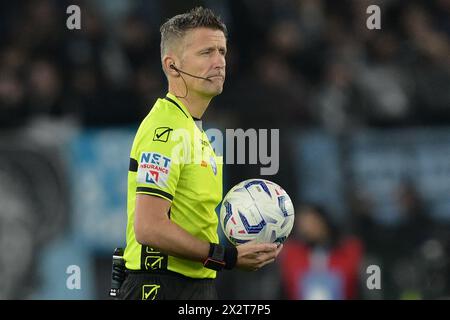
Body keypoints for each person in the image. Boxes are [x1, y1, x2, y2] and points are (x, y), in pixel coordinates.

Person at [117, 7, 282, 300]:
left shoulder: (197, 133)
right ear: (172, 66)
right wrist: (226, 257)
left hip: (195, 286)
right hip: (160, 286)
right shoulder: (165, 129)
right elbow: (149, 227)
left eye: (222, 51)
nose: (219, 62)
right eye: (206, 52)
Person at [278, 204, 363, 300]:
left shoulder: (349, 250)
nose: (307, 229)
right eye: (303, 224)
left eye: (312, 223)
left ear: (324, 222)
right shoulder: (291, 254)